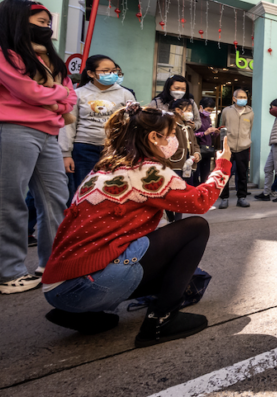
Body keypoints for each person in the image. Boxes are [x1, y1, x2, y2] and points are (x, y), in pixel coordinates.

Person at [42, 104, 231, 346]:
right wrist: (223, 165)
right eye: (172, 133)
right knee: (195, 228)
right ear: (154, 137)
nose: (175, 140)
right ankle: (162, 319)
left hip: (58, 288)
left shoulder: (103, 169)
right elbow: (200, 201)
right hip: (86, 286)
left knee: (173, 261)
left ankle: (81, 313)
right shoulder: (145, 170)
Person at [0, 0, 77, 295]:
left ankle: (54, 264)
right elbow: (27, 90)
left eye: (49, 23)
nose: (47, 28)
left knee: (55, 202)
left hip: (48, 134)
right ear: (17, 20)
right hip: (10, 130)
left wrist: (52, 93)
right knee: (7, 202)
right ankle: (0, 274)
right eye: (40, 22)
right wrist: (55, 94)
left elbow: (70, 97)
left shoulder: (49, 60)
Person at [60, 55, 136, 206]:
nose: (111, 74)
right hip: (83, 148)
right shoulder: (78, 93)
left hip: (115, 149)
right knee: (84, 191)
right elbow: (68, 125)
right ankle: (81, 224)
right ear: (91, 73)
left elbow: (132, 125)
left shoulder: (125, 94)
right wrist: (65, 153)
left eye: (113, 70)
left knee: (112, 191)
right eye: (105, 71)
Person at [163, 98, 201, 221]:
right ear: (178, 110)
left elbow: (194, 143)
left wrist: (196, 153)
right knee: (173, 191)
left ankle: (178, 218)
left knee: (183, 191)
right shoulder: (171, 126)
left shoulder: (189, 127)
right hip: (174, 164)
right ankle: (169, 212)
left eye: (191, 110)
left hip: (188, 164)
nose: (190, 113)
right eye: (188, 110)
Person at [217, 89, 253, 209]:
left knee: (242, 173)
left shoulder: (250, 112)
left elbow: (250, 129)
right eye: (240, 97)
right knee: (225, 173)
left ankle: (241, 198)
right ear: (234, 98)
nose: (243, 99)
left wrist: (247, 141)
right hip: (229, 147)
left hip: (243, 146)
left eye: (245, 97)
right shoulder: (226, 111)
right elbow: (222, 126)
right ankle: (224, 198)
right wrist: (223, 145)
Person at [194, 97, 219, 187]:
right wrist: (205, 133)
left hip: (207, 150)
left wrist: (214, 132)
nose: (209, 112)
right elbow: (192, 135)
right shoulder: (195, 118)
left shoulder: (208, 118)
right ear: (201, 107)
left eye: (211, 110)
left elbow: (209, 134)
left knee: (206, 174)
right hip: (198, 149)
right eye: (208, 110)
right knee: (196, 174)